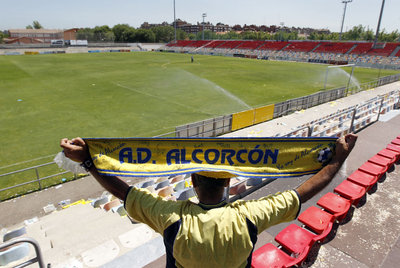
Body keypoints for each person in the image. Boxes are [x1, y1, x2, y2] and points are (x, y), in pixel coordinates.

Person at [60, 134, 357, 268]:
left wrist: (88, 161)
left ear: (192, 184)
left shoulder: (171, 216)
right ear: (228, 182)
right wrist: (337, 159)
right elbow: (301, 192)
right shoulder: (250, 215)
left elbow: (125, 193)